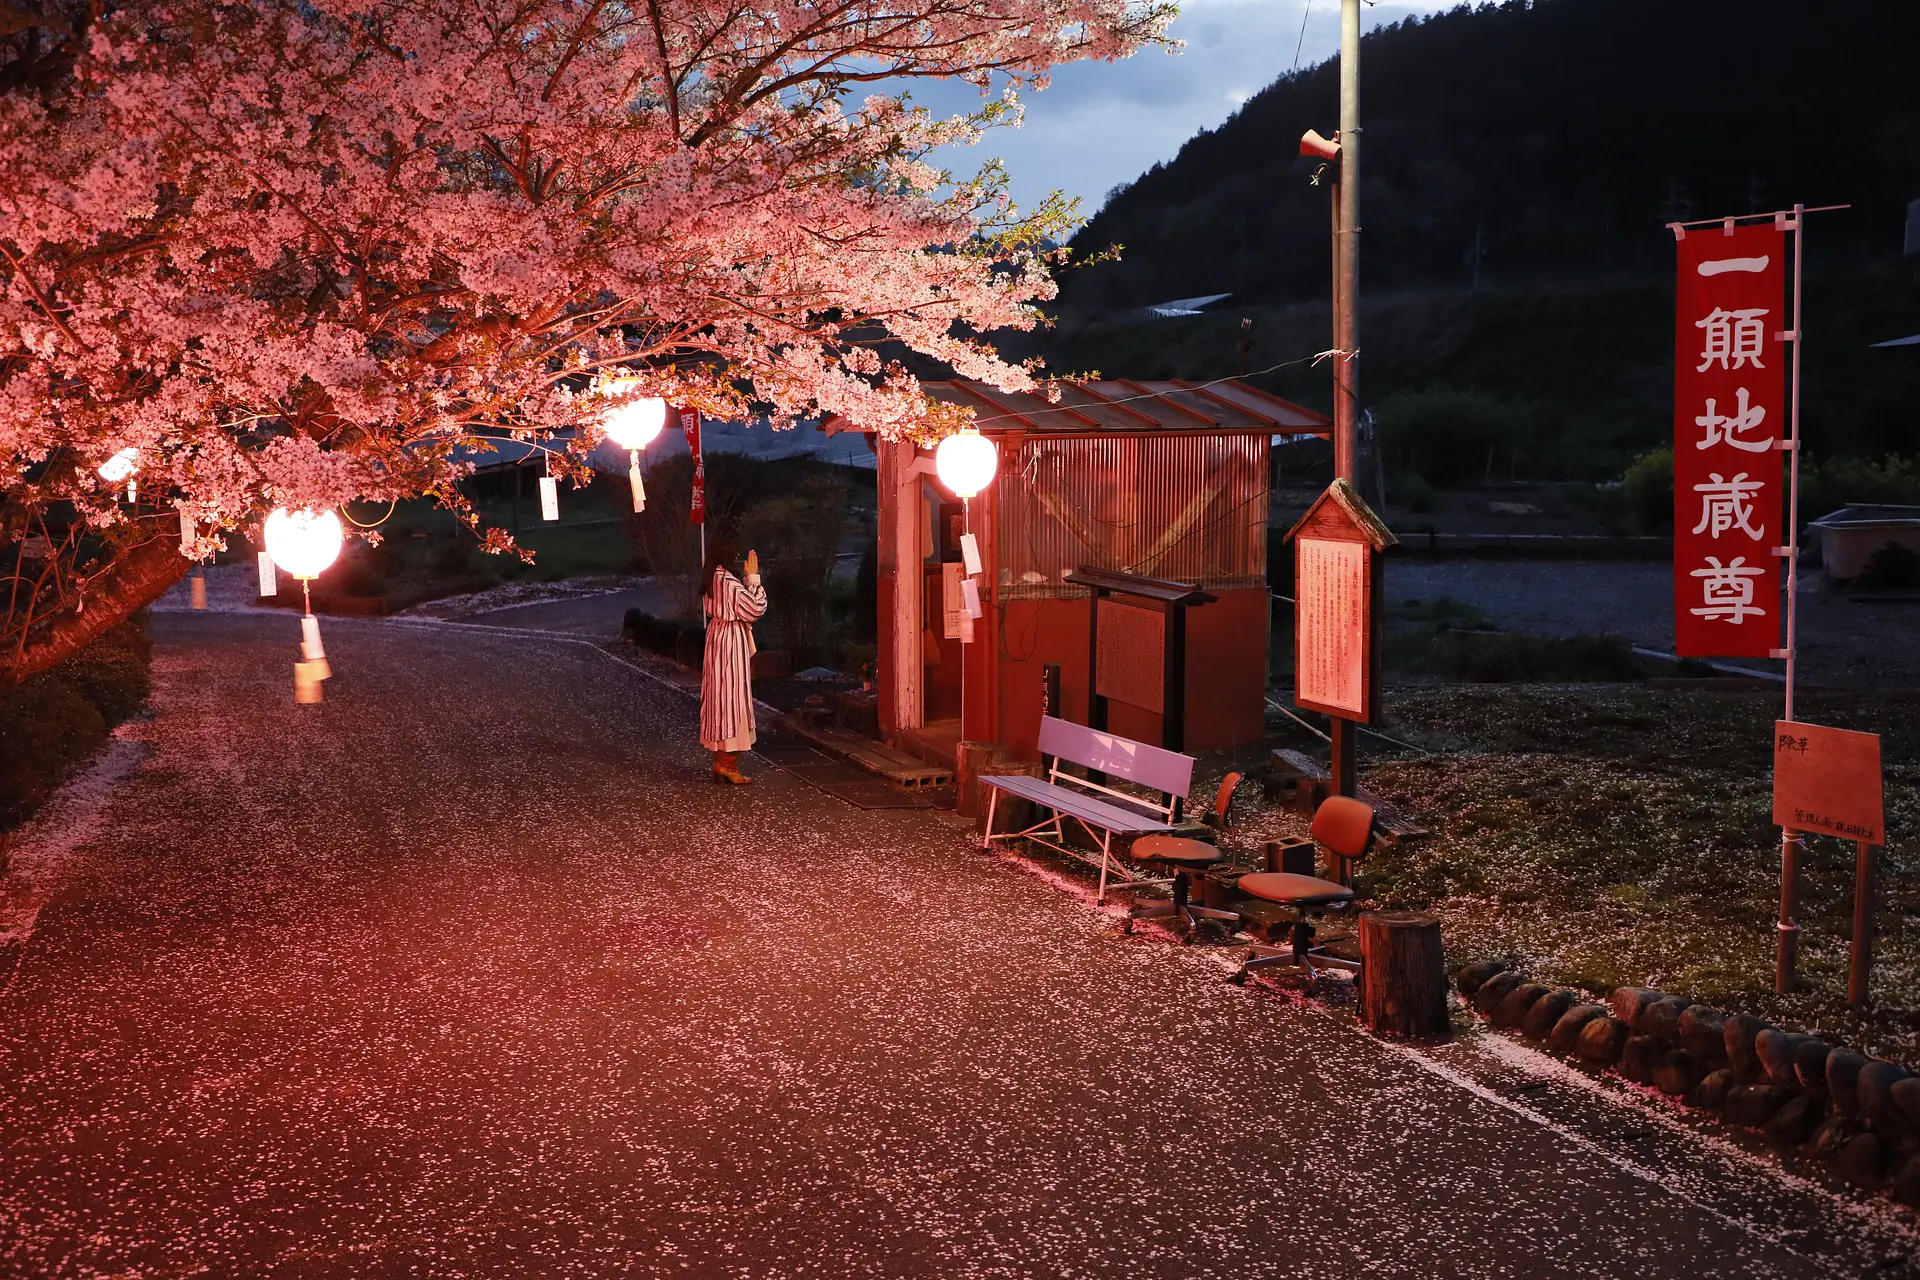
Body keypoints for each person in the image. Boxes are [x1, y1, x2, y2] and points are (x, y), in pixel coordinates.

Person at [699, 530, 767, 784]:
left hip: (718, 638)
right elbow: (755, 608)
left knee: (720, 698)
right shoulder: (727, 581)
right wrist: (753, 579)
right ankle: (726, 763)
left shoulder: (712, 576)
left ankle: (723, 762)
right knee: (732, 699)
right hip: (729, 641)